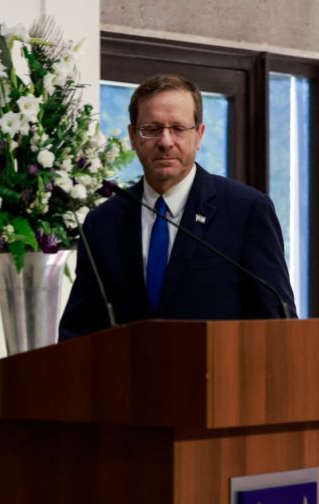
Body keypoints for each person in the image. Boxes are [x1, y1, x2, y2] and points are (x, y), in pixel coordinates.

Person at [59, 73, 297, 340]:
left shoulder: (246, 210)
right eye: (151, 129)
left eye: (178, 128)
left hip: (219, 377)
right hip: (127, 380)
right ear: (133, 137)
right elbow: (78, 329)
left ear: (199, 135)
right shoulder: (103, 222)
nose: (165, 141)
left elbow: (277, 322)